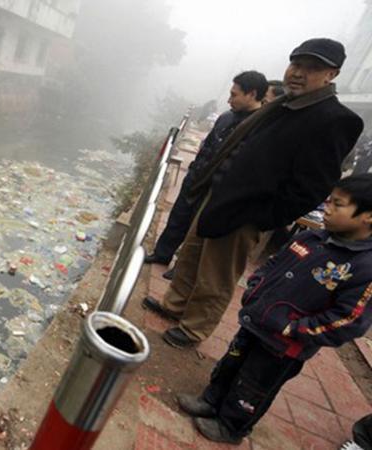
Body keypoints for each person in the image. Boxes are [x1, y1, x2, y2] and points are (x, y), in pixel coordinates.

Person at [143, 38, 365, 348]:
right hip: (220, 195)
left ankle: (194, 329)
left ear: (332, 75)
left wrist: (262, 218)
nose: (298, 73)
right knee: (192, 255)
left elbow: (313, 186)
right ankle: (174, 305)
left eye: (311, 68)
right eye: (296, 65)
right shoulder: (281, 104)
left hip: (248, 212)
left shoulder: (334, 118)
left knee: (215, 275)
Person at [175, 174, 372, 444]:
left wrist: (295, 329)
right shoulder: (313, 237)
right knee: (231, 363)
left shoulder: (363, 267)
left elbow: (348, 320)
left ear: (367, 217)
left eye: (338, 204)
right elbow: (273, 263)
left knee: (254, 386)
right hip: (258, 322)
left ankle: (231, 426)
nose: (327, 207)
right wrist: (255, 288)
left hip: (285, 344)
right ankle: (211, 400)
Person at [144, 71, 268, 269]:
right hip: (198, 177)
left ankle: (180, 269)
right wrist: (194, 170)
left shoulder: (260, 127)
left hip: (218, 188)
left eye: (234, 95)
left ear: (252, 94)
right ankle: (162, 254)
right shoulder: (226, 118)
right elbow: (208, 146)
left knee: (198, 229)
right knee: (179, 217)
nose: (229, 100)